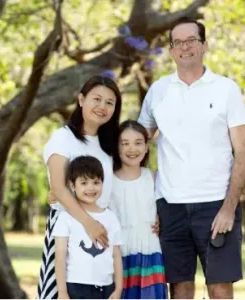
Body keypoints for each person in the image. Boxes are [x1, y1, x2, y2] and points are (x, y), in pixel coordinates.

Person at [138, 17, 245, 299]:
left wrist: (228, 207)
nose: (185, 47)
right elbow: (135, 147)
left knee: (220, 290)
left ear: (204, 45)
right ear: (171, 49)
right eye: (178, 42)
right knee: (180, 289)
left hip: (216, 205)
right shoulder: (158, 92)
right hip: (171, 207)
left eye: (192, 40)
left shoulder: (226, 89)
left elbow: (244, 152)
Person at [37, 75, 122, 299]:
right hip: (69, 228)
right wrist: (89, 223)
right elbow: (59, 188)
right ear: (81, 99)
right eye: (97, 99)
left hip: (101, 229)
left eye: (110, 102)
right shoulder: (62, 138)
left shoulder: (107, 145)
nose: (102, 107)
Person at [109, 120, 168, 299]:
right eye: (125, 143)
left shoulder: (154, 177)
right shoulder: (108, 182)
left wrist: (161, 219)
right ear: (117, 148)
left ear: (146, 147)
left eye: (138, 142)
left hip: (150, 249)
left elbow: (166, 208)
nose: (132, 149)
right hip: (120, 253)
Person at [53, 156, 123, 299]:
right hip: (75, 286)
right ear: (72, 186)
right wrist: (62, 292)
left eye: (96, 182)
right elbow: (60, 255)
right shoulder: (66, 218)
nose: (90, 188)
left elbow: (116, 256)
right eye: (84, 183)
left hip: (106, 287)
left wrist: (118, 289)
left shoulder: (111, 218)